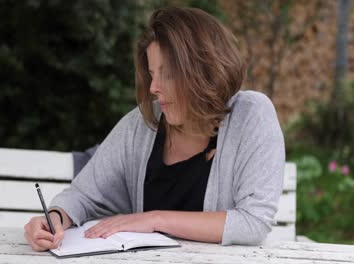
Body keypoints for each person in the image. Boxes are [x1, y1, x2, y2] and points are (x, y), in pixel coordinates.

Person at [24, 6, 285, 251]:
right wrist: (55, 218)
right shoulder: (140, 125)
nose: (153, 87)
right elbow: (83, 195)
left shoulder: (251, 114)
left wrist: (155, 220)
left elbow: (253, 224)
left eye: (167, 73)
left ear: (204, 70)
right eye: (152, 74)